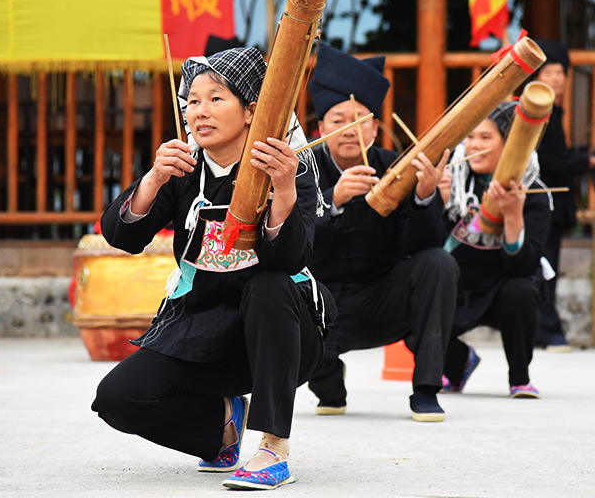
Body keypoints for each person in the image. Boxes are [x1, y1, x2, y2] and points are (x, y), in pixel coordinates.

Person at [91, 47, 333, 490]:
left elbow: (290, 259)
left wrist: (282, 189)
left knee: (270, 285)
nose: (199, 111)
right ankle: (222, 426)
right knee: (117, 398)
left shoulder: (286, 165)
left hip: (281, 335)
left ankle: (273, 447)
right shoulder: (183, 168)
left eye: (215, 98)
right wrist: (152, 180)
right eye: (192, 102)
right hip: (201, 328)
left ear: (250, 110)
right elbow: (122, 236)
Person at [304, 44, 458, 422]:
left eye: (360, 120)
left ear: (374, 127)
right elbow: (288, 236)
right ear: (321, 128)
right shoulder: (301, 170)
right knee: (288, 311)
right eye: (338, 120)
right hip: (322, 302)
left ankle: (426, 390)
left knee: (438, 263)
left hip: (382, 296)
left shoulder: (397, 167)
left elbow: (421, 245)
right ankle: (328, 385)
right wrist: (332, 199)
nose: (349, 130)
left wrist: (425, 197)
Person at [438, 101, 552, 399]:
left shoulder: (534, 191)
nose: (474, 144)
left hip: (504, 282)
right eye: (470, 136)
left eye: (485, 138)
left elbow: (525, 266)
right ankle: (458, 363)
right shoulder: (455, 180)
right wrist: (437, 202)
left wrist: (513, 216)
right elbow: (427, 247)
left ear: (510, 144)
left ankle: (520, 378)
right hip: (461, 278)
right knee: (415, 295)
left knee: (521, 291)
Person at [532, 38, 595, 351]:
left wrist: (578, 155)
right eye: (549, 72)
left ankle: (541, 329)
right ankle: (546, 329)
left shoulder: (553, 111)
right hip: (540, 202)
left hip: (552, 202)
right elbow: (546, 160)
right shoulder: (536, 110)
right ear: (536, 76)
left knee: (545, 266)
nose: (556, 78)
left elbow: (555, 154)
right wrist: (582, 161)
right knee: (542, 267)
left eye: (561, 72)